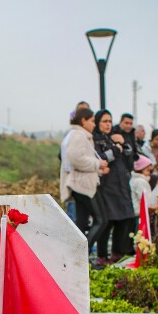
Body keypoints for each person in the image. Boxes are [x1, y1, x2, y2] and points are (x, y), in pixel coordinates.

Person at [93, 109, 136, 263]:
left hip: (121, 186)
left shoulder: (112, 138)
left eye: (110, 121)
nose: (108, 124)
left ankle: (118, 254)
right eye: (104, 121)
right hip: (106, 187)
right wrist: (116, 148)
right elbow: (101, 159)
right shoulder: (95, 140)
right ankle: (102, 256)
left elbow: (130, 158)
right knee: (107, 222)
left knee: (125, 219)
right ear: (97, 123)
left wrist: (122, 144)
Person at [65, 107, 109, 251]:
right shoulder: (79, 135)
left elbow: (81, 159)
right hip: (84, 186)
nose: (94, 124)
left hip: (82, 184)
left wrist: (99, 168)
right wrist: (98, 164)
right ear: (83, 121)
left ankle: (77, 258)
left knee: (82, 222)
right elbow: (75, 158)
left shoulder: (79, 134)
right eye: (92, 121)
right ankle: (81, 253)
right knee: (101, 220)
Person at [60, 101, 91, 222]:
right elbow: (69, 158)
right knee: (75, 220)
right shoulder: (74, 135)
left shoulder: (88, 135)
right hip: (74, 183)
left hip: (86, 185)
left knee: (84, 221)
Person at [130, 155, 154, 220]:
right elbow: (143, 198)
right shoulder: (140, 181)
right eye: (147, 170)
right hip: (140, 213)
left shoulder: (134, 180)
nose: (149, 173)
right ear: (140, 169)